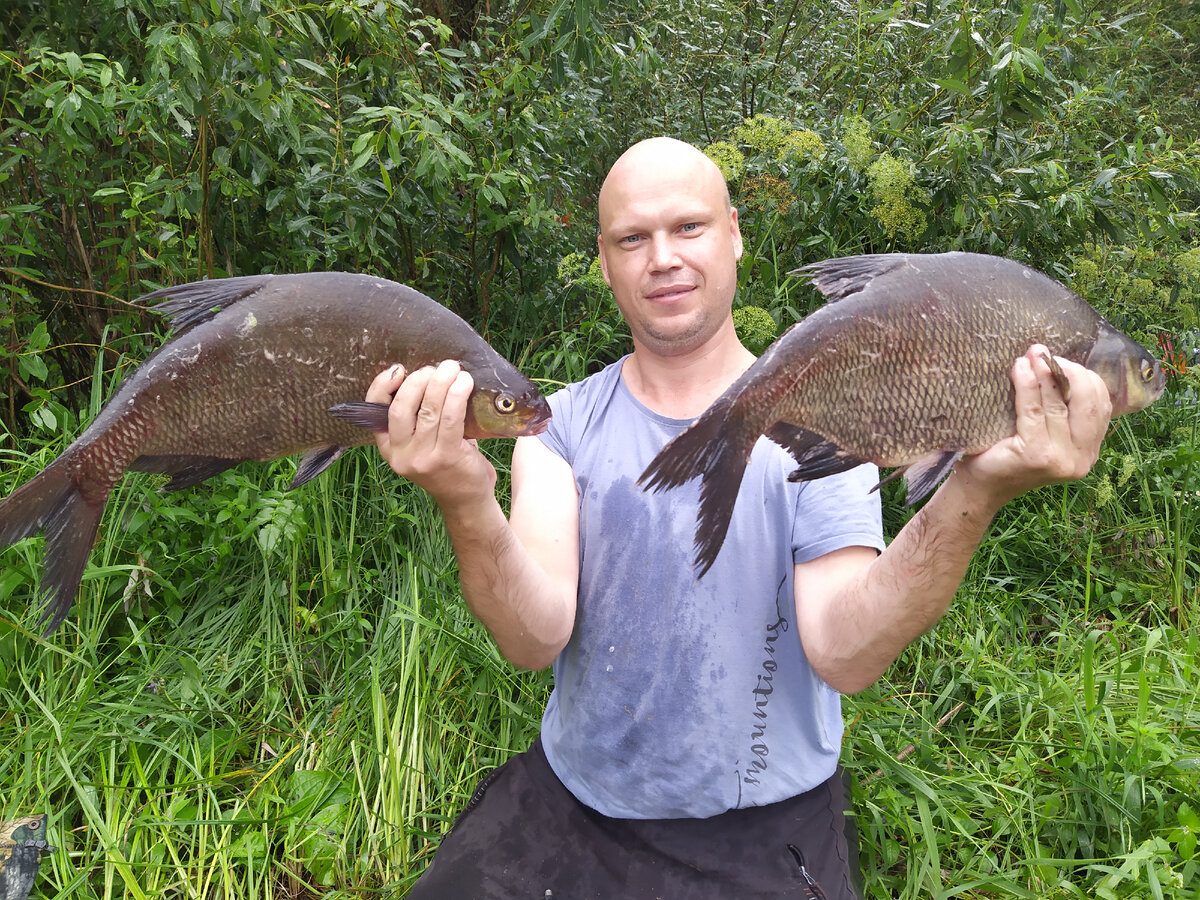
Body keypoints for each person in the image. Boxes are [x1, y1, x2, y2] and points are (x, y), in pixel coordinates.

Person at [363, 137, 1114, 898]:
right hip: (574, 803)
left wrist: (974, 492)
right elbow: (533, 638)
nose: (662, 257)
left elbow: (846, 653)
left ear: (734, 233)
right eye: (633, 238)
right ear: (604, 261)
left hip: (766, 825)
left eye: (688, 227)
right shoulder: (560, 428)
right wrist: (464, 497)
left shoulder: (828, 425)